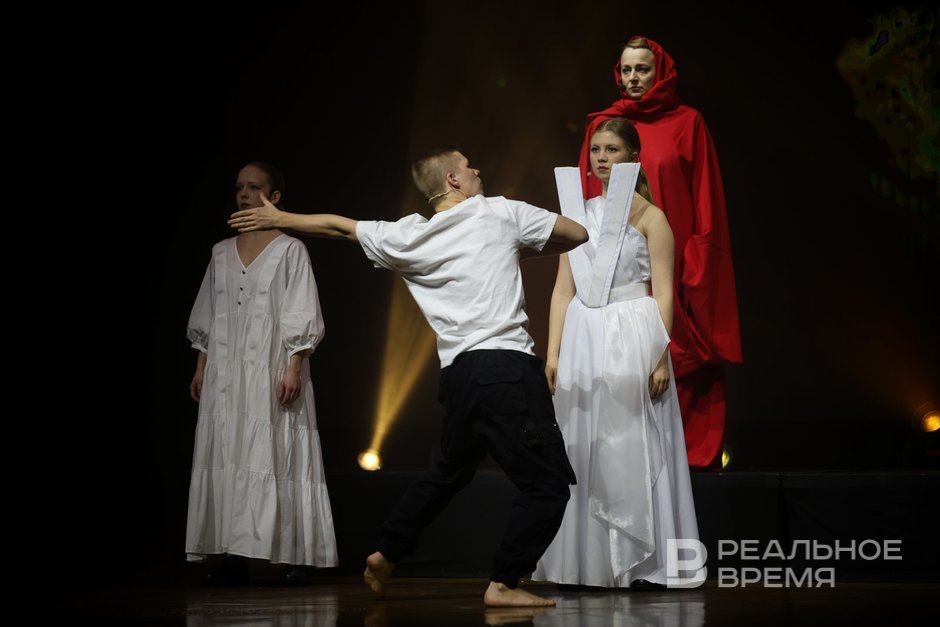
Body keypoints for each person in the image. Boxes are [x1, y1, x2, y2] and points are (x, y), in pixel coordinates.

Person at [228, 147, 588, 606]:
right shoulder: (500, 212)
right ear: (454, 180)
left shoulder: (408, 235)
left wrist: (282, 218)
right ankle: (504, 582)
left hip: (459, 375)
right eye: (469, 166)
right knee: (547, 485)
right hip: (505, 369)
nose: (478, 170)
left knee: (449, 472)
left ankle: (387, 552)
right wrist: (519, 245)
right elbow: (577, 234)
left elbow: (340, 227)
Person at [532, 119, 701, 588]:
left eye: (612, 149)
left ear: (633, 157)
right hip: (584, 338)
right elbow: (562, 290)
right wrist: (553, 353)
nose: (602, 158)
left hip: (632, 333)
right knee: (584, 443)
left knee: (631, 440)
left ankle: (643, 563)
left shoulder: (651, 217)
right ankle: (585, 563)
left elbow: (663, 292)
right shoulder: (578, 214)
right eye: (596, 150)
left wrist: (659, 355)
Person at [580, 36, 743, 469]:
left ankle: (688, 463)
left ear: (661, 72)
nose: (633, 78)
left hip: (678, 258)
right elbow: (587, 195)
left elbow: (705, 197)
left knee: (684, 353)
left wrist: (699, 264)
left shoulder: (688, 123)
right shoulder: (605, 126)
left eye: (642, 69)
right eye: (626, 70)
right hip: (623, 267)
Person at [186, 162, 338, 586]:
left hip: (273, 367)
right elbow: (209, 316)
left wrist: (294, 365)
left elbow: (301, 310)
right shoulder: (220, 252)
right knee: (231, 454)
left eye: (254, 187)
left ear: (274, 197)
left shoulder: (290, 250)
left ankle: (295, 554)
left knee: (278, 452)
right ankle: (234, 552)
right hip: (226, 374)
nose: (243, 194)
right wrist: (201, 368)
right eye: (239, 187)